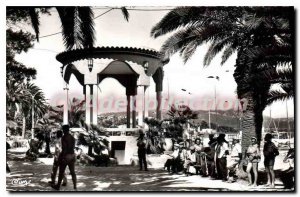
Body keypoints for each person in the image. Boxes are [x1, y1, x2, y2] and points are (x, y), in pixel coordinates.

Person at [52, 125, 77, 190]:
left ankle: (58, 186)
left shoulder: (64, 137)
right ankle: (75, 186)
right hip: (72, 155)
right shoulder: (72, 137)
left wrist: (61, 157)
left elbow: (65, 149)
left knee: (61, 172)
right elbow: (72, 147)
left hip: (66, 156)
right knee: (73, 172)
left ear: (64, 130)